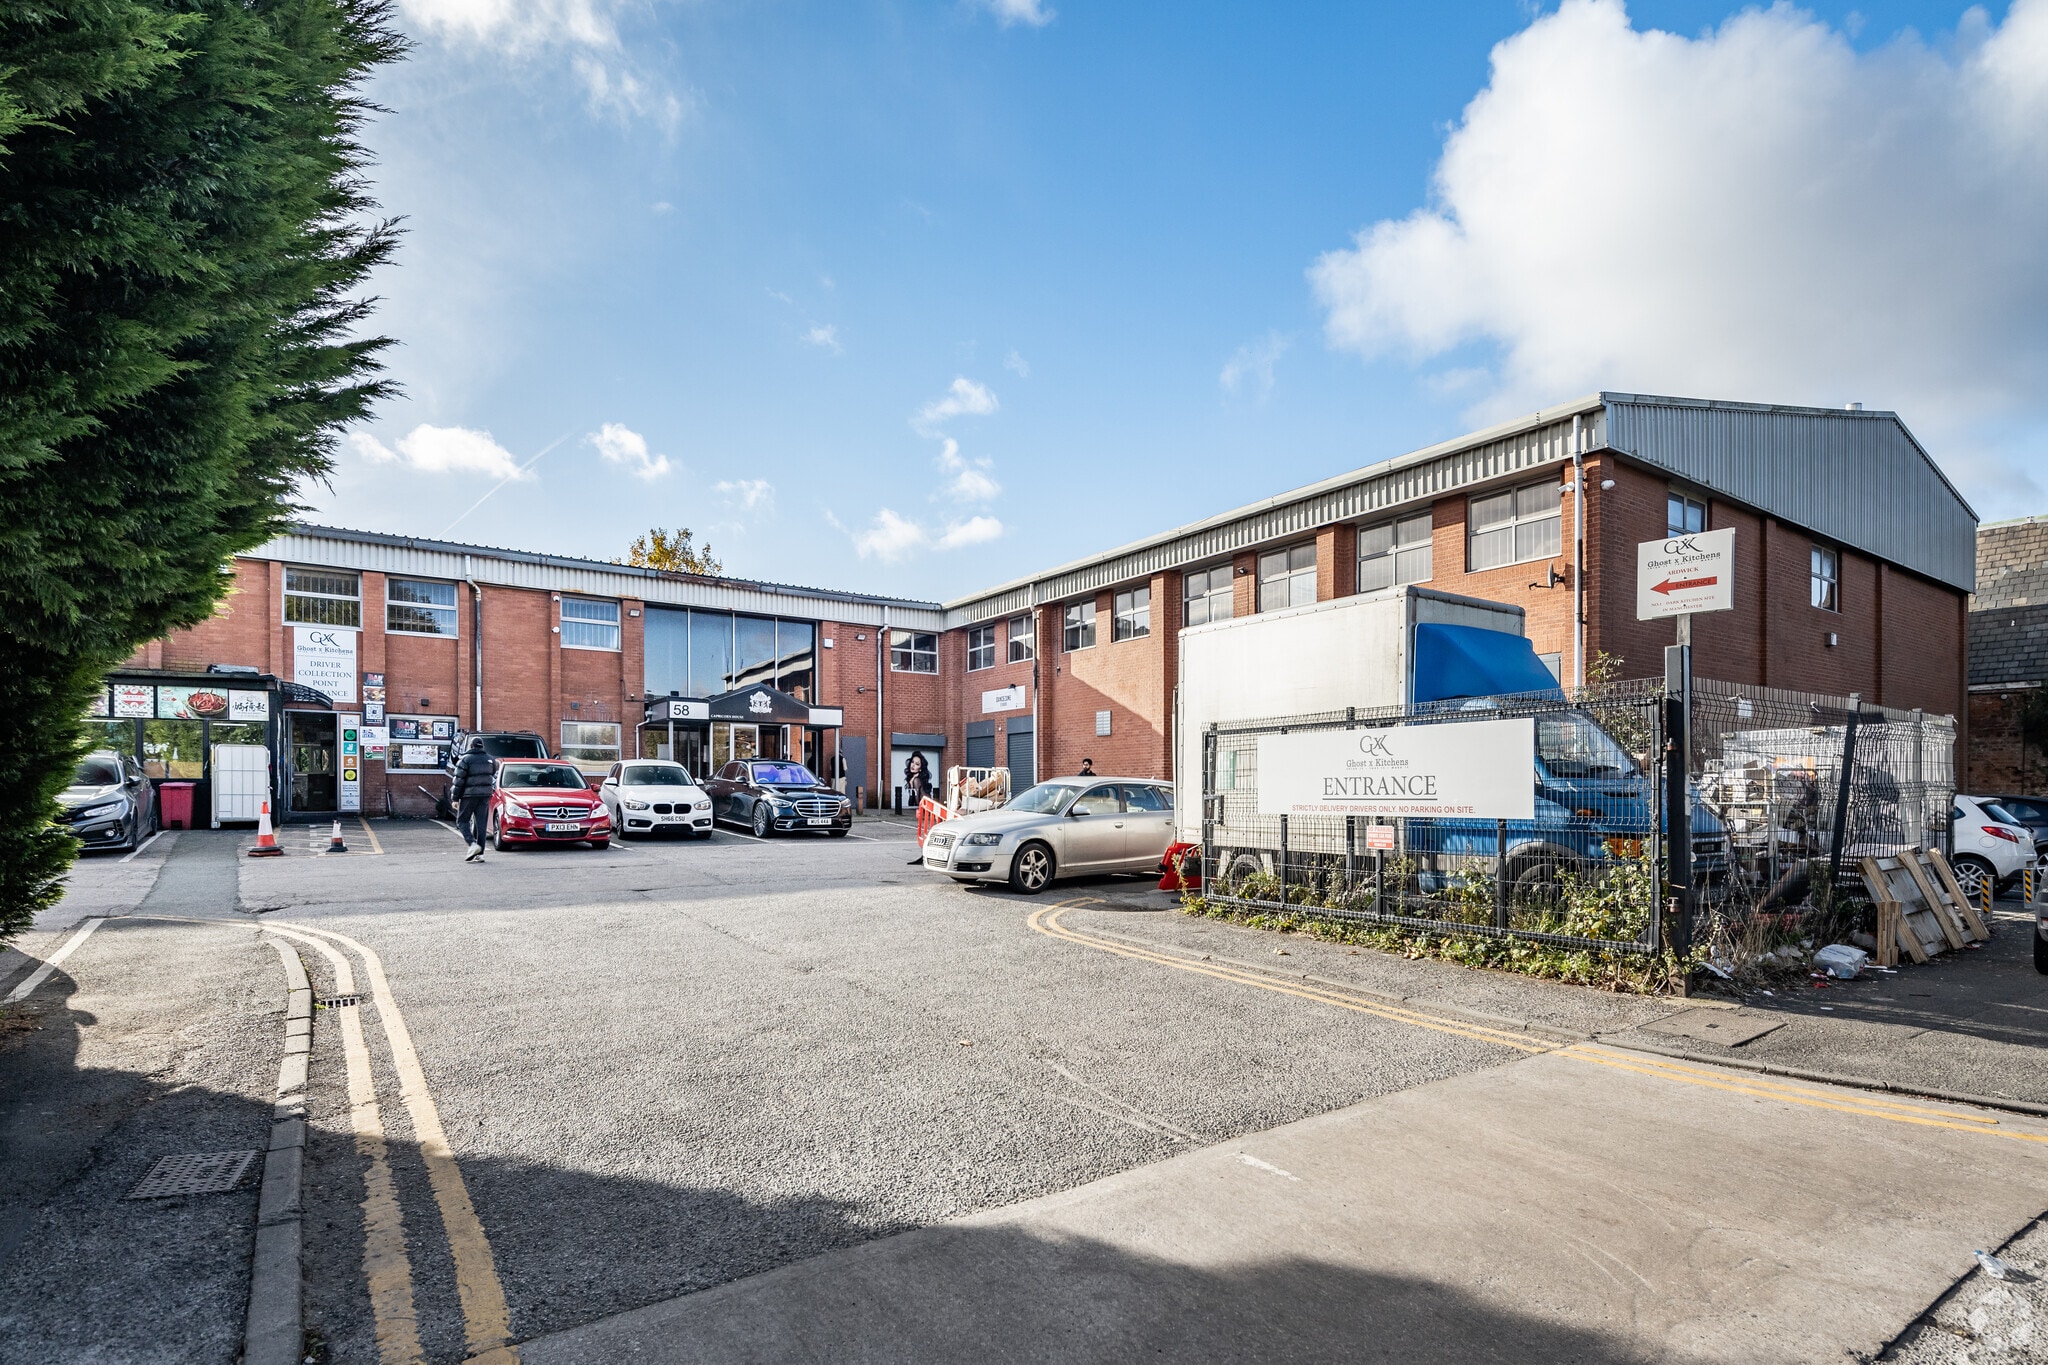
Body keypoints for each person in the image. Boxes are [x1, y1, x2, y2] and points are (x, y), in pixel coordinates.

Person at [450, 737, 496, 862]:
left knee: (462, 821)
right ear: (482, 746)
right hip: (485, 796)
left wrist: (455, 798)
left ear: (471, 746)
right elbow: (493, 774)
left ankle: (472, 844)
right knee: (481, 825)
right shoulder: (491, 760)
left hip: (469, 796)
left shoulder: (465, 760)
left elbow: (458, 781)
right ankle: (480, 854)